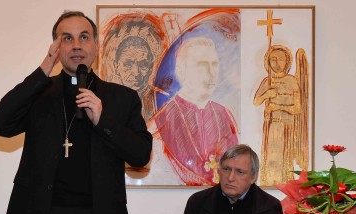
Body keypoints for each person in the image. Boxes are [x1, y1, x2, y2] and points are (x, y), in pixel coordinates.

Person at [0, 11, 152, 214]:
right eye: (67, 38)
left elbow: (141, 155)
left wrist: (103, 119)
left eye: (84, 37)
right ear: (56, 47)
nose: (76, 45)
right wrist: (45, 67)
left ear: (96, 45)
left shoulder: (122, 98)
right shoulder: (39, 93)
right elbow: (0, 124)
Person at [155, 37, 239, 185]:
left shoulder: (223, 114)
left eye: (215, 65)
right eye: (202, 65)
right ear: (181, 70)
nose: (212, 73)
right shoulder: (163, 119)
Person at [253, 45, 309, 186]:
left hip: (287, 127)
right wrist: (267, 94)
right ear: (268, 62)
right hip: (272, 125)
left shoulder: (292, 81)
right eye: (273, 59)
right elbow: (256, 101)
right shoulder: (268, 81)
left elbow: (297, 108)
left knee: (284, 160)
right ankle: (269, 184)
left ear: (287, 62)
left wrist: (278, 107)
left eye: (281, 59)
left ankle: (284, 186)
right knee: (271, 159)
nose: (277, 63)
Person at [112, 36, 156, 121]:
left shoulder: (159, 101)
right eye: (128, 64)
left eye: (142, 65)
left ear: (150, 68)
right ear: (116, 67)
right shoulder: (105, 101)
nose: (136, 73)